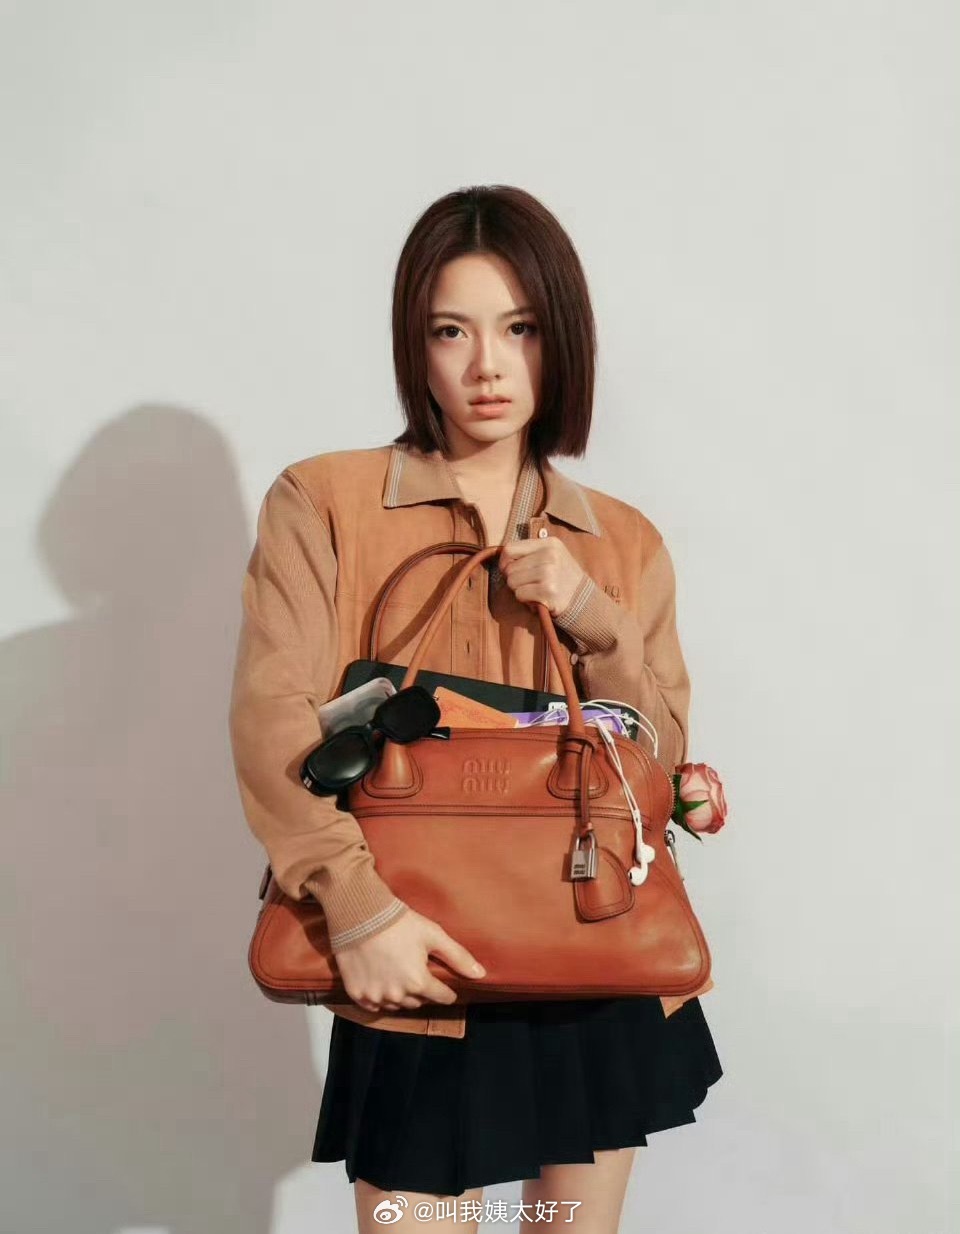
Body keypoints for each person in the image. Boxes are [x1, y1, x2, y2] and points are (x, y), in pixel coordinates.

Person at [228, 184, 723, 1233]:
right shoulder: (325, 503)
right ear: (414, 344)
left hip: (589, 953)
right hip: (411, 960)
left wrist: (589, 615)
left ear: (561, 340)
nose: (487, 365)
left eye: (520, 328)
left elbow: (656, 764)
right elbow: (275, 723)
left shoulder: (623, 540)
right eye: (450, 330)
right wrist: (359, 912)